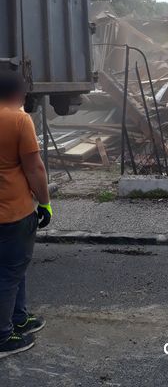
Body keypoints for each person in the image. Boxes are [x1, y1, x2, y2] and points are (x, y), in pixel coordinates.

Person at [0, 72, 52, 358]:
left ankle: (19, 318)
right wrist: (44, 203)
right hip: (13, 212)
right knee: (9, 272)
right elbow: (35, 168)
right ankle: (2, 337)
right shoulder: (19, 120)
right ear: (18, 95)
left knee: (13, 269)